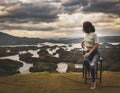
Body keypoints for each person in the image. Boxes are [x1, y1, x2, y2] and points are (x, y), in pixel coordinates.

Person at [81, 21, 100, 89]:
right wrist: (83, 44)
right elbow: (86, 42)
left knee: (92, 65)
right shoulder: (85, 35)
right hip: (88, 52)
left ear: (87, 28)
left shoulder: (94, 34)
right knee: (85, 61)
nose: (82, 29)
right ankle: (89, 71)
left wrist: (89, 53)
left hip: (95, 53)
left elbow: (97, 45)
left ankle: (93, 82)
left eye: (83, 27)